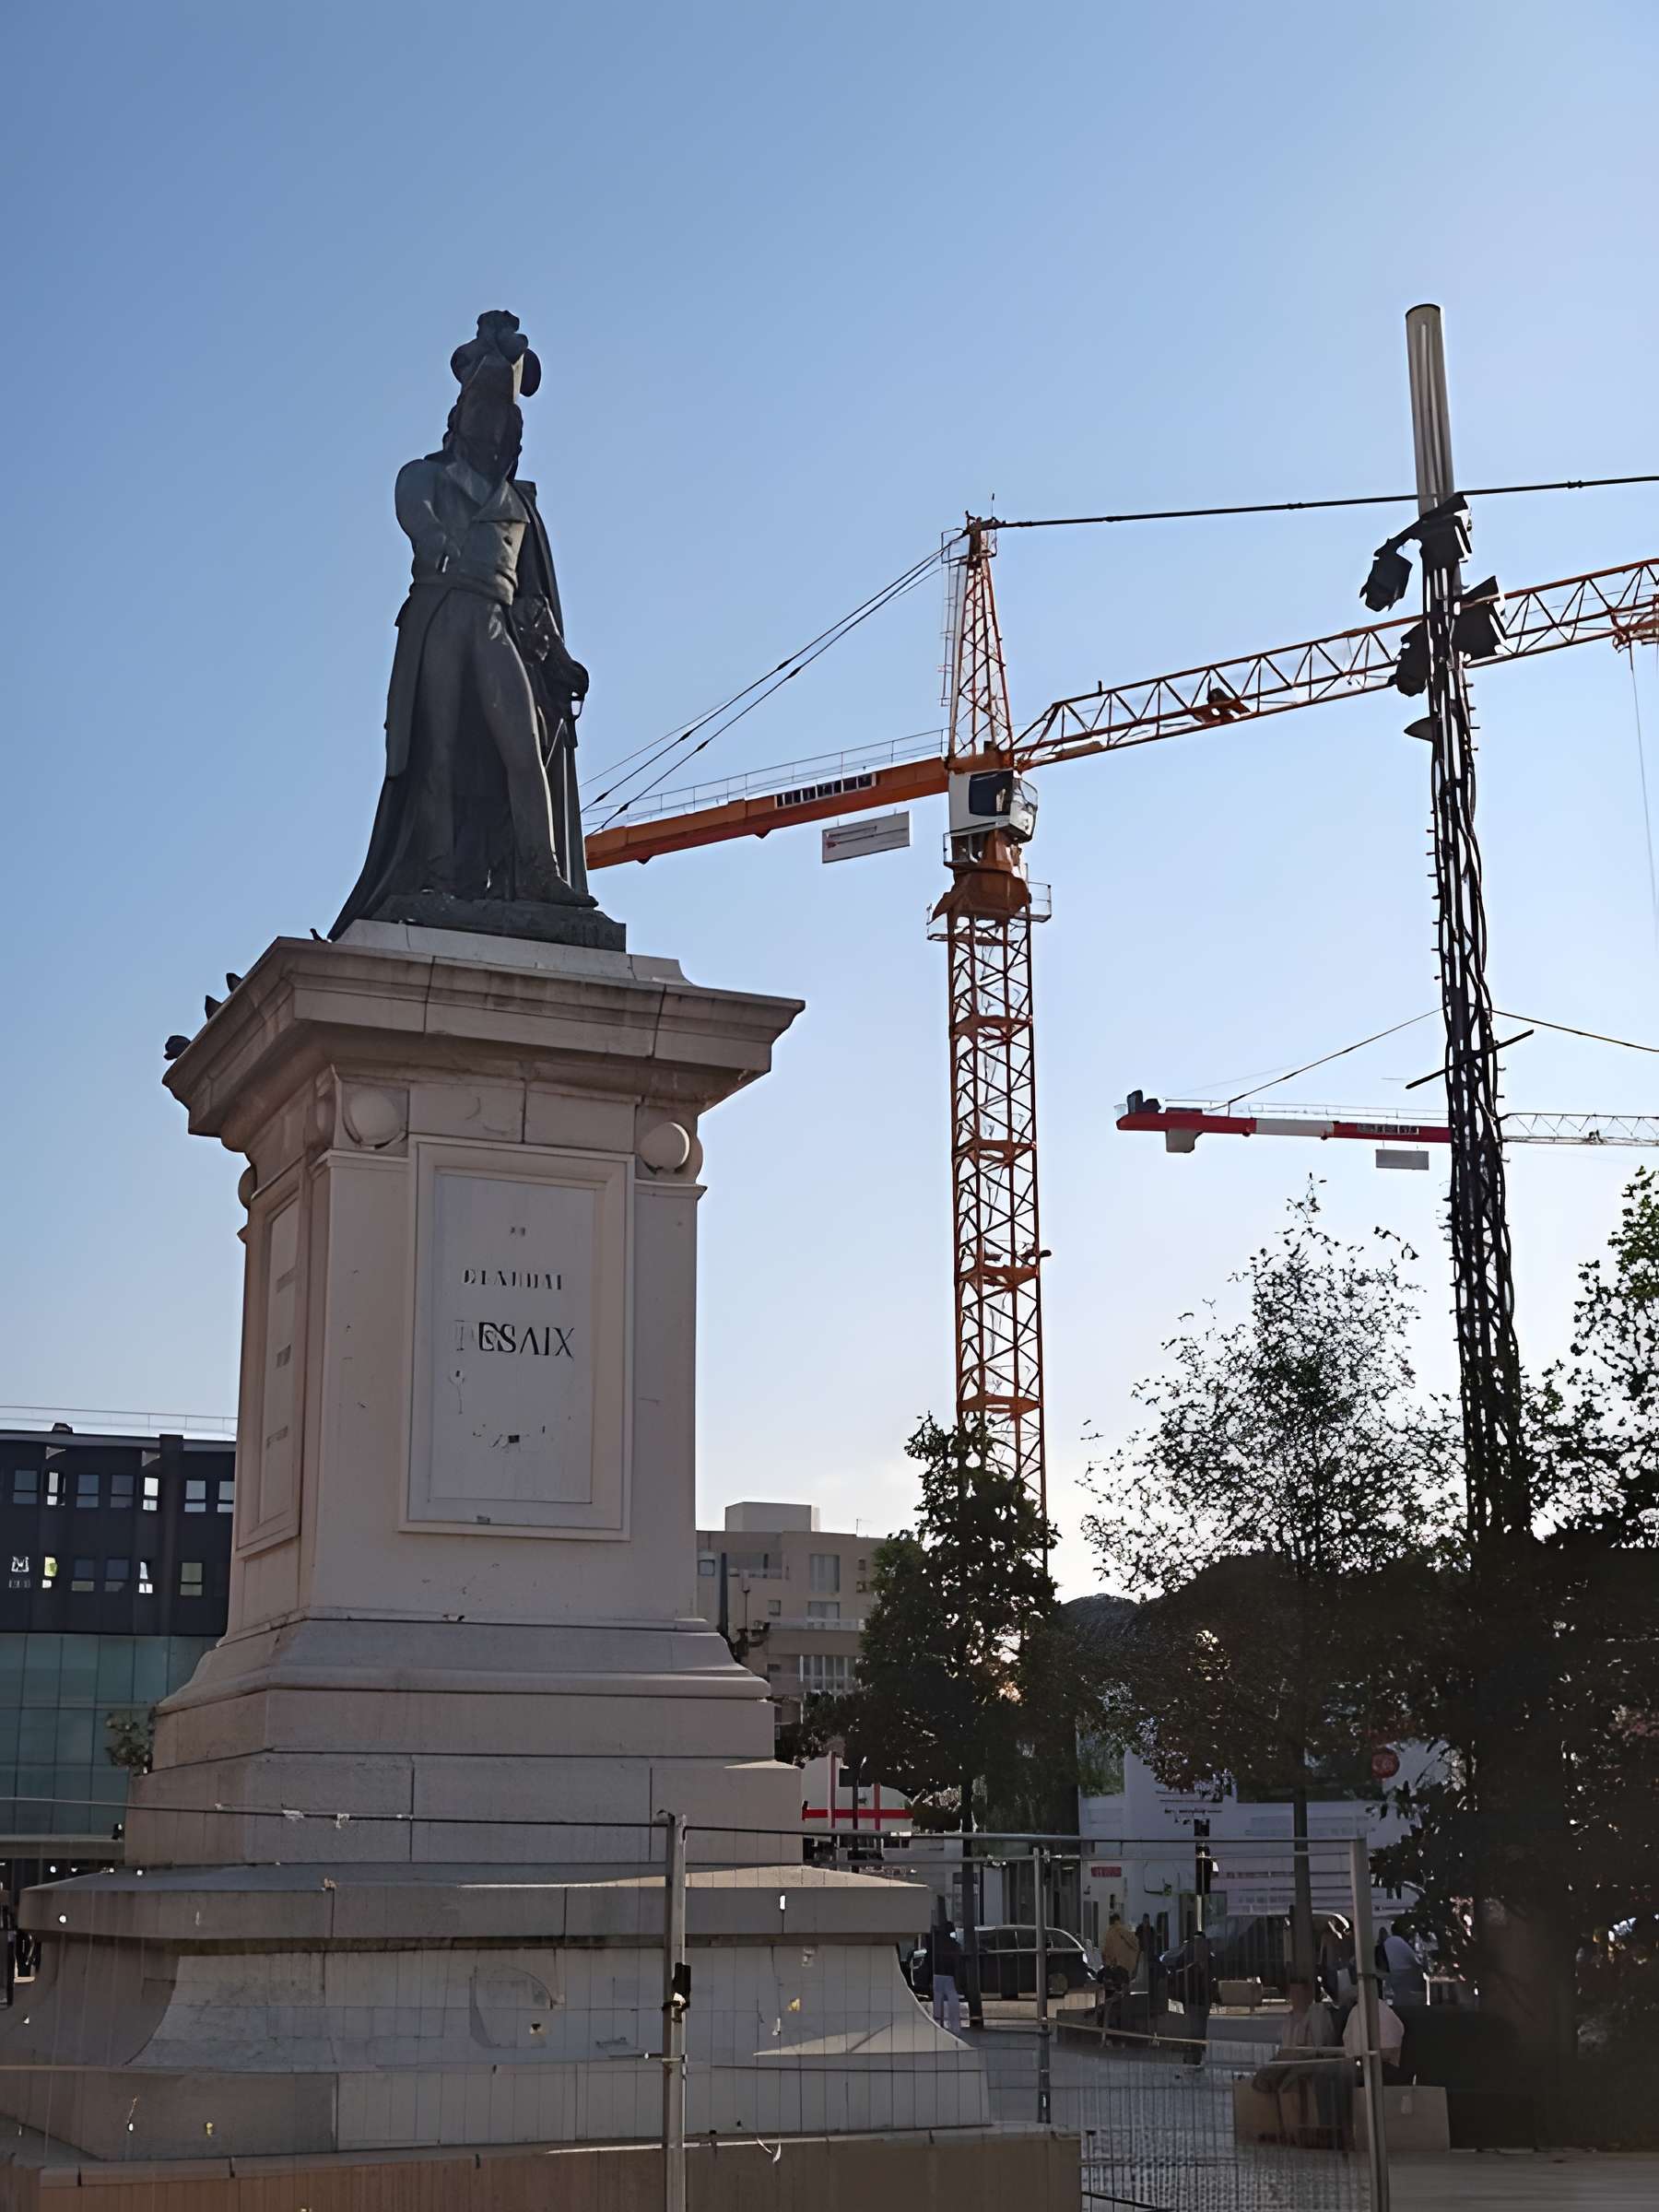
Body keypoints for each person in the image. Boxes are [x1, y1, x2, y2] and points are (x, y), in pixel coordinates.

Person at [1342, 1992, 1407, 2084]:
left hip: (1371, 2068)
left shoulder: (1357, 2013)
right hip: (1373, 2068)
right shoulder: (1383, 2011)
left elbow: (1350, 2048)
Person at [1181, 1925, 1213, 2065]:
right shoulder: (1189, 1964)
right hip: (1193, 2002)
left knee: (1200, 2031)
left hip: (1203, 2003)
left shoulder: (1210, 1963)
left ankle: (1197, 2057)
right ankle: (1192, 2057)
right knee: (1193, 2031)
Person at [1379, 1924, 1428, 2008]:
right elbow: (1412, 1957)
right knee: (1406, 1996)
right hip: (1406, 1972)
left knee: (1399, 1995)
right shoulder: (1397, 1940)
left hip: (1394, 1974)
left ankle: (1400, 2010)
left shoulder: (1382, 1947)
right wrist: (1420, 1966)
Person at [930, 1918, 963, 2033]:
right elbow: (958, 1959)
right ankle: (954, 2027)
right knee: (952, 1999)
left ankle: (938, 2025)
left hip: (938, 1974)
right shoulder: (953, 1944)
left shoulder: (936, 1944)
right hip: (949, 1975)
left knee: (938, 2002)